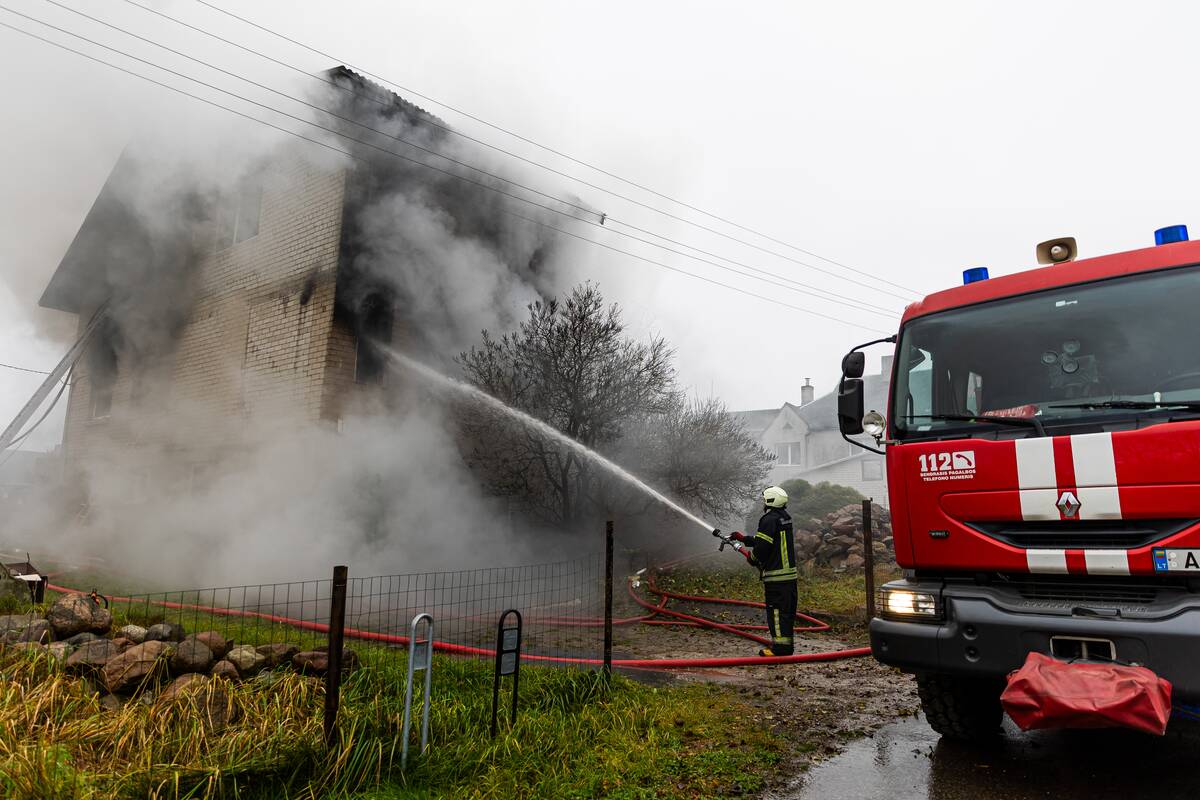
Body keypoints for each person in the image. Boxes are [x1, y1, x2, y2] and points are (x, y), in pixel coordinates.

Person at [731, 486, 798, 657]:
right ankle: (786, 646)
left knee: (776, 612)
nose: (762, 503)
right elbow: (768, 541)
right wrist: (744, 539)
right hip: (788, 577)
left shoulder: (768, 519)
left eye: (764, 499)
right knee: (785, 613)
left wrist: (752, 559)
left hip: (776, 577)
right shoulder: (784, 518)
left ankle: (780, 649)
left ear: (770, 500)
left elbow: (762, 548)